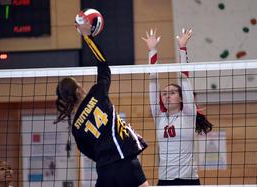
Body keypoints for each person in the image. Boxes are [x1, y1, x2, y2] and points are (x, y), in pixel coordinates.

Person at [54, 16, 149, 187]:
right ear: (79, 90)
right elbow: (103, 65)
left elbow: (90, 152)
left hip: (104, 170)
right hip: (124, 161)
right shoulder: (97, 93)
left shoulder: (76, 127)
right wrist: (87, 37)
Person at [142, 28, 212, 186]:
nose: (167, 96)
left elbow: (184, 79)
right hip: (165, 180)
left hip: (188, 181)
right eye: (165, 93)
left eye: (172, 92)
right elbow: (153, 81)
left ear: (181, 98)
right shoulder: (159, 116)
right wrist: (152, 50)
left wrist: (182, 48)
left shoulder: (188, 114)